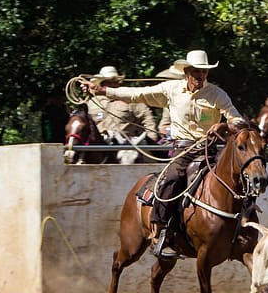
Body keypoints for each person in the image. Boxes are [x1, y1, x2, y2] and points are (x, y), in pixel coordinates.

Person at [85, 50, 245, 259]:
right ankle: (161, 232)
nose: (200, 76)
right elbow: (136, 94)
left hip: (211, 148)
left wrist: (224, 125)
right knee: (171, 179)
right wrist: (103, 91)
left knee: (239, 177)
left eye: (204, 72)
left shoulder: (217, 94)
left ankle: (245, 226)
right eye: (196, 71)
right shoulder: (171, 90)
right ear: (187, 72)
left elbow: (239, 121)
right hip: (184, 149)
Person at [89, 66, 159, 143]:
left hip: (126, 144)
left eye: (115, 82)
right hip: (98, 146)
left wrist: (152, 141)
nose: (112, 84)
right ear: (102, 84)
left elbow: (147, 119)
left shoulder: (131, 99)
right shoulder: (92, 102)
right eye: (108, 82)